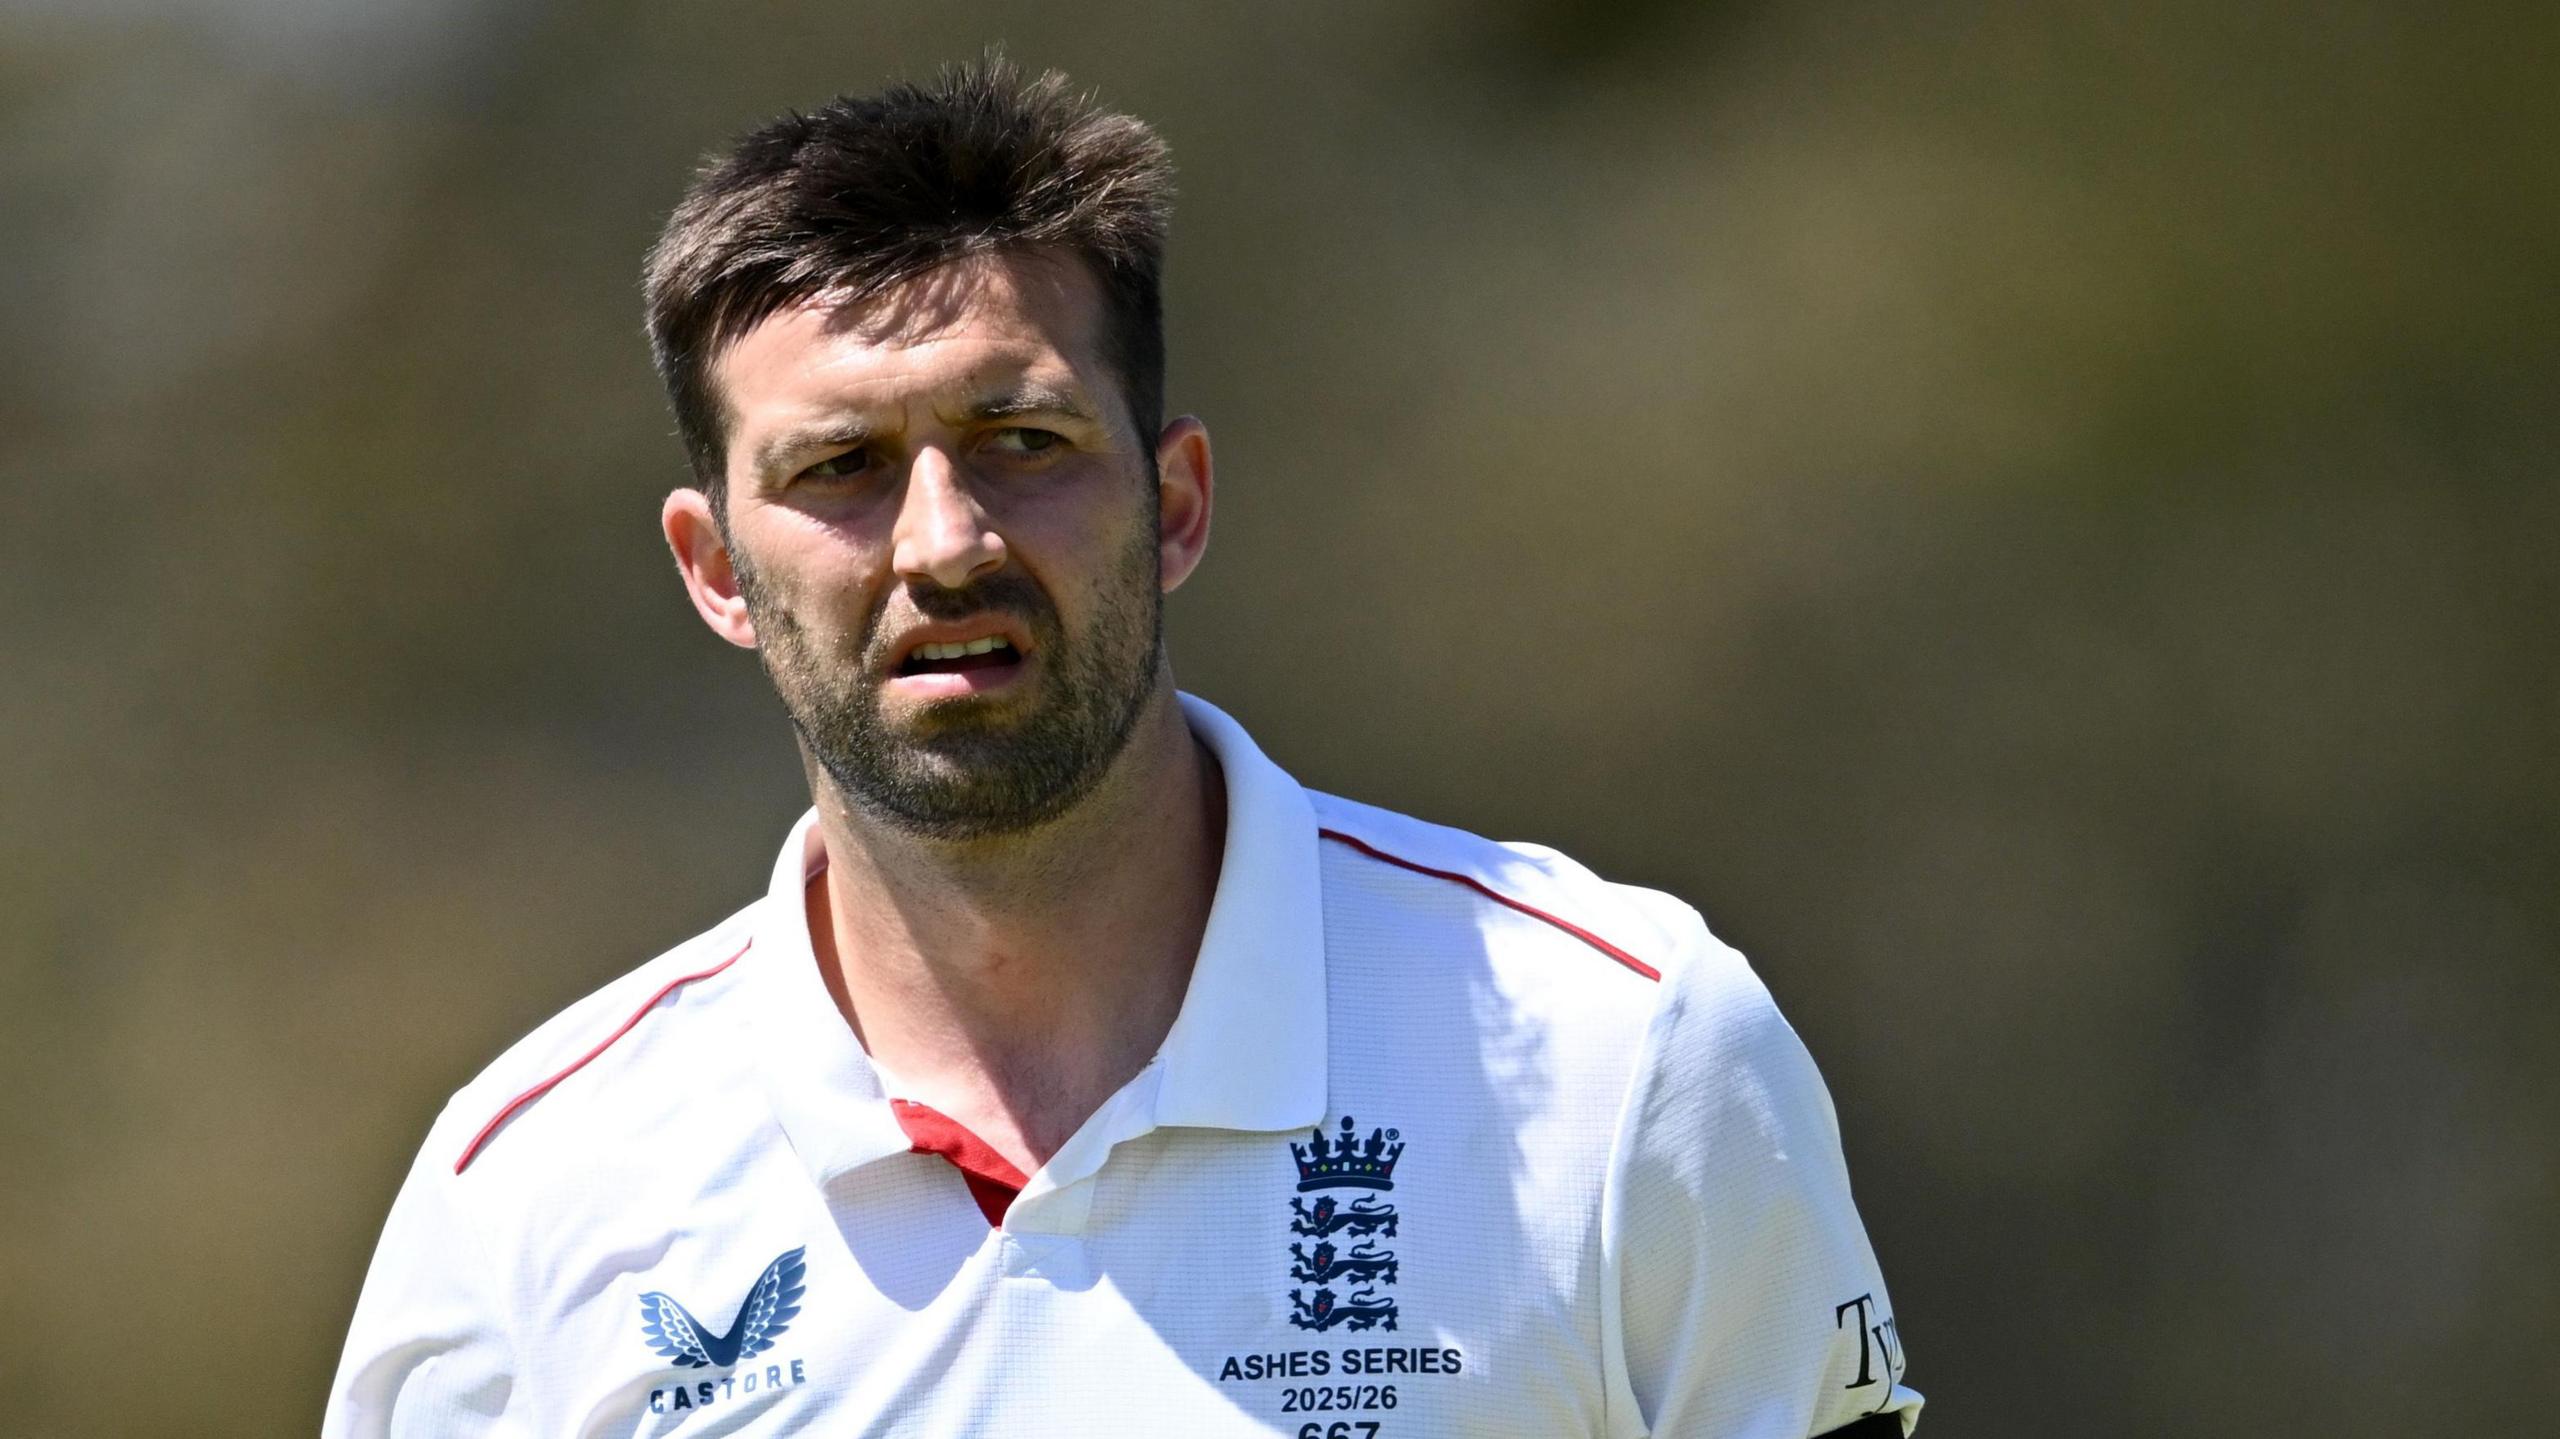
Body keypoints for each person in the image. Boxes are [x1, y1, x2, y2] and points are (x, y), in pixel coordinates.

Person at [324, 56, 1920, 1438]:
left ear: (1175, 504)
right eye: (840, 469)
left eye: (1022, 441)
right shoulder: (528, 1195)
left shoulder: (1631, 1056)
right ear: (715, 567)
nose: (944, 542)